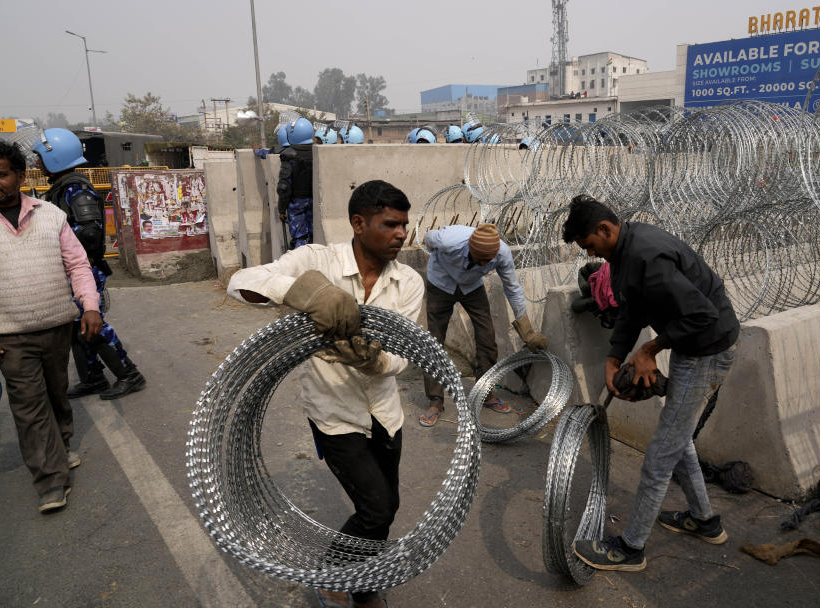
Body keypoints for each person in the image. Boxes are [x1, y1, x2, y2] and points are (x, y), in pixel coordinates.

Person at [228, 180, 422, 608]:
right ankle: (334, 573)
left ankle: (362, 581)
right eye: (390, 224)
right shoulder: (316, 260)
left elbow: (404, 355)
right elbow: (242, 281)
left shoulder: (407, 281)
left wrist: (369, 359)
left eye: (403, 225)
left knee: (385, 507)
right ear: (358, 223)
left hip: (385, 413)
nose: (400, 234)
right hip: (334, 414)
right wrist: (307, 292)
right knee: (376, 507)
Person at [562, 195, 740, 573]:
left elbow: (703, 314)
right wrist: (614, 358)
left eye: (590, 245)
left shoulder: (648, 256)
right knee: (677, 435)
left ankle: (631, 549)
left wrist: (650, 348)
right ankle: (705, 521)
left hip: (707, 349)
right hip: (692, 346)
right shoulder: (625, 254)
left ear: (605, 230)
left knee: (659, 456)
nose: (589, 253)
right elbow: (633, 309)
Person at [0, 139, 102, 512]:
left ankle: (62, 445)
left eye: (0, 174)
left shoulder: (50, 215)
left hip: (56, 326)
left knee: (57, 394)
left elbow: (77, 265)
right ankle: (51, 480)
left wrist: (90, 306)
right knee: (28, 406)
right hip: (8, 335)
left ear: (20, 176)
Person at [34, 128, 146, 400]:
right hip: (72, 267)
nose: (36, 163)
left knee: (93, 324)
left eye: (39, 158)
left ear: (55, 157)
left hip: (84, 268)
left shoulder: (76, 188)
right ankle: (93, 378)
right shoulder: (63, 186)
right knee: (75, 327)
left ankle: (129, 374)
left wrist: (72, 259)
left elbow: (90, 232)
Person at [418, 223, 548, 427]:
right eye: (479, 260)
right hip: (440, 283)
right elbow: (428, 237)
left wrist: (527, 331)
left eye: (487, 262)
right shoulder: (448, 239)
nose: (483, 265)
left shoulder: (502, 253)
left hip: (472, 288)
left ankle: (485, 394)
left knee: (487, 338)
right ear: (469, 249)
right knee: (434, 341)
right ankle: (436, 400)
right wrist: (439, 259)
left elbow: (512, 288)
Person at [278, 118, 315, 248]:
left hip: (296, 203)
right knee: (314, 235)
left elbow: (284, 187)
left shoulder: (289, 155)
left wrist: (281, 209)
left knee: (300, 237)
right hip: (314, 200)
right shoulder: (318, 151)